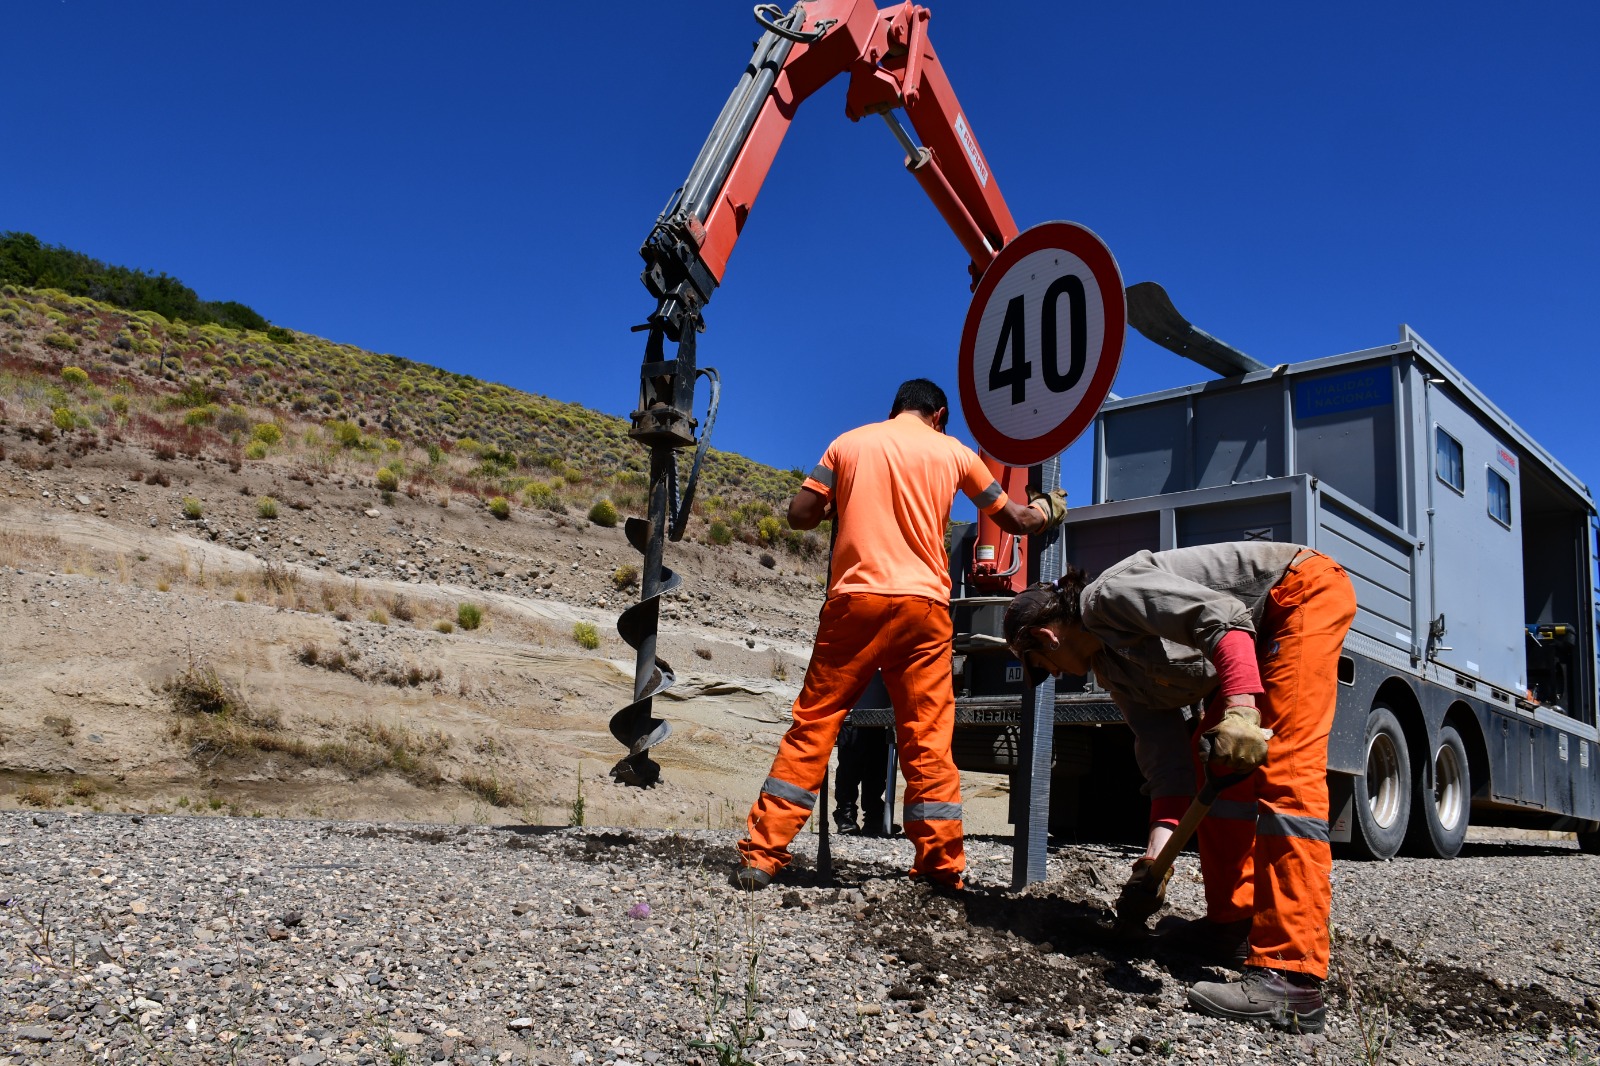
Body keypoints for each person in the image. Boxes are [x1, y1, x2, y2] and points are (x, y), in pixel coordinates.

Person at [1002, 543, 1356, 1034]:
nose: (1049, 675)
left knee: (1286, 770)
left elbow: (1225, 618)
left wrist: (1243, 711)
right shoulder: (1115, 669)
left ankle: (1292, 977)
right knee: (1215, 765)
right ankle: (1232, 926)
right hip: (1255, 631)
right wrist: (1154, 866)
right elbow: (1169, 769)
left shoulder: (1108, 597)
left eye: (1039, 663)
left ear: (1045, 635)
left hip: (1296, 594)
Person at [736, 378, 1066, 891]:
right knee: (928, 738)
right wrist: (1048, 509)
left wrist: (836, 506)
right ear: (938, 415)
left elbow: (799, 514)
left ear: (895, 410)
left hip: (854, 603)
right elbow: (1016, 518)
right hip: (924, 610)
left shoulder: (847, 443)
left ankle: (762, 855)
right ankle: (940, 868)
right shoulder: (954, 453)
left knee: (815, 724)